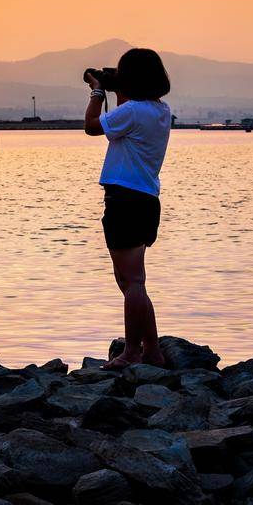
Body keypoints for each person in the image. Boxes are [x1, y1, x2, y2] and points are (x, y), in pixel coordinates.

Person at [83, 48, 172, 369]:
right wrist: (118, 88)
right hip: (146, 199)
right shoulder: (159, 110)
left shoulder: (133, 111)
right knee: (132, 281)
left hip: (125, 200)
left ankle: (132, 352)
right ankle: (153, 351)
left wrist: (97, 90)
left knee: (131, 281)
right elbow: (122, 116)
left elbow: (93, 126)